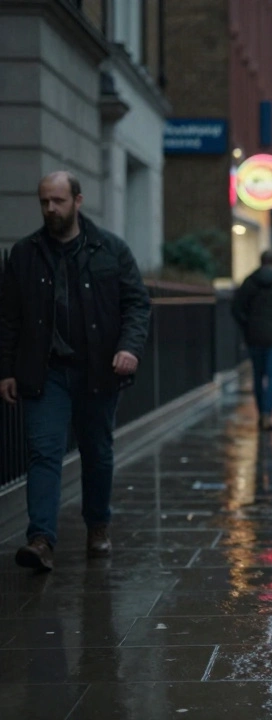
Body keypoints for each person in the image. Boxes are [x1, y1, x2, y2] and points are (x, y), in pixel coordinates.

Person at [0, 171, 151, 571]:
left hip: (98, 371)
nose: (51, 208)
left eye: (58, 201)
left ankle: (97, 526)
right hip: (45, 372)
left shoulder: (110, 250)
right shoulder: (25, 254)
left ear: (78, 201)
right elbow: (9, 318)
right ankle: (41, 539)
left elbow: (137, 304)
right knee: (44, 452)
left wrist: (128, 348)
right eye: (44, 201)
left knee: (97, 453)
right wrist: (6, 370)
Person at [232, 249, 272, 432]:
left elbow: (236, 308)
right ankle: (268, 413)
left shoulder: (249, 283)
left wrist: (247, 325)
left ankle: (261, 412)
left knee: (258, 375)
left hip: (254, 335)